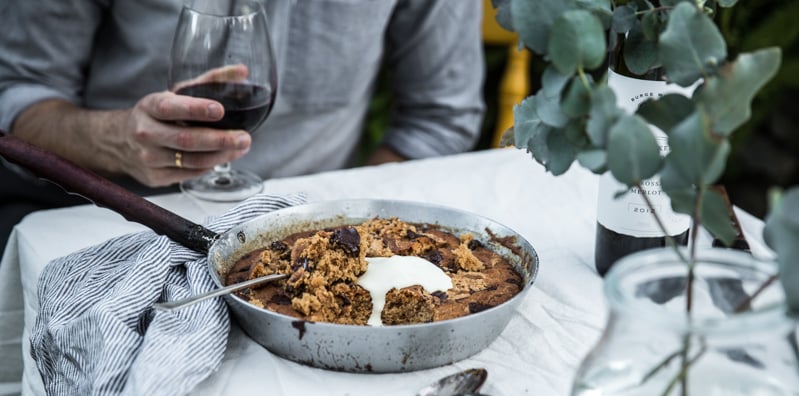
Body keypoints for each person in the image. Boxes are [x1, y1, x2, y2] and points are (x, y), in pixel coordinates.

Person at [0, 0, 486, 251]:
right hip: (99, 221)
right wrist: (114, 141)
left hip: (309, 232)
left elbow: (439, 116)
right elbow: (16, 91)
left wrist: (354, 234)